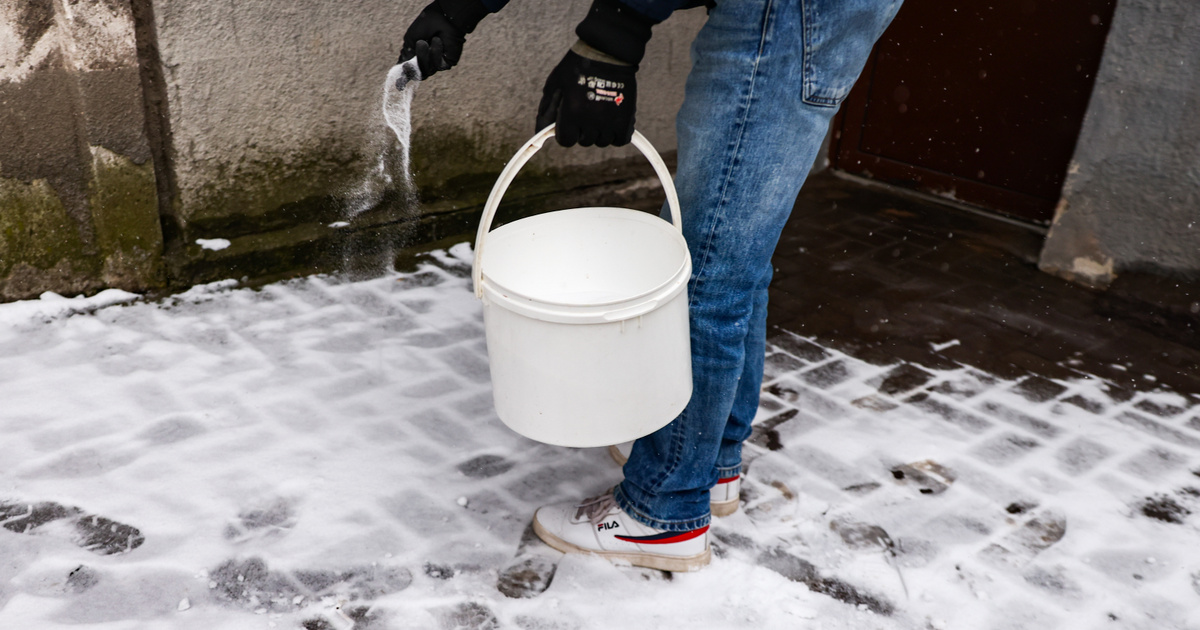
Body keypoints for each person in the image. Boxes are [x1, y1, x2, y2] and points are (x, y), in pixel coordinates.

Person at [399, 0, 903, 572]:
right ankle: (709, 464)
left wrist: (611, 42)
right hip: (803, 14)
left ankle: (662, 512)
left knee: (703, 267)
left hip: (785, 13)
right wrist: (458, 11)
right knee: (729, 251)